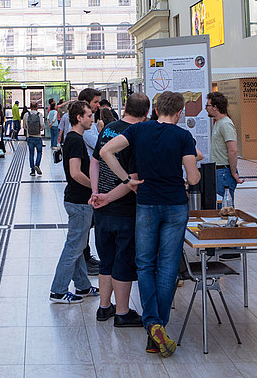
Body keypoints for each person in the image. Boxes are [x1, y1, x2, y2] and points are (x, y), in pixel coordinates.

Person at [100, 91, 200, 358]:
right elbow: (193, 177)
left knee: (144, 264)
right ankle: (157, 327)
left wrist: (126, 180)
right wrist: (192, 168)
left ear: (155, 109)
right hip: (175, 206)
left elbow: (105, 151)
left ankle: (153, 327)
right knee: (167, 267)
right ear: (179, 113)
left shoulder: (139, 130)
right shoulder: (183, 137)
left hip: (145, 204)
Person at [88, 92, 150, 327]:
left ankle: (104, 307)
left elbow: (95, 161)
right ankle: (122, 313)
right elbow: (131, 181)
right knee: (123, 260)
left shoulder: (109, 128)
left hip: (100, 208)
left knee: (106, 259)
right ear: (146, 112)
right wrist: (106, 197)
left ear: (125, 108)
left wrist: (96, 192)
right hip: (122, 209)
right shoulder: (136, 136)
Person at [49, 101, 98, 303]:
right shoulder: (76, 140)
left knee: (77, 247)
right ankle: (58, 291)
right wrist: (95, 188)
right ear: (79, 118)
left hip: (76, 199)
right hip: (79, 201)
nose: (92, 119)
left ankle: (82, 287)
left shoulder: (73, 138)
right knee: (73, 248)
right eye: (88, 116)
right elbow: (76, 173)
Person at [206, 92, 244, 203]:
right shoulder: (218, 123)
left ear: (215, 107)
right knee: (219, 206)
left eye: (207, 105)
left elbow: (233, 150)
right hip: (219, 171)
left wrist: (233, 172)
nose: (205, 108)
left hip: (224, 172)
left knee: (224, 207)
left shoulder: (225, 124)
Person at [24, 101, 45, 177]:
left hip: (30, 137)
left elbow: (25, 126)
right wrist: (41, 129)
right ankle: (37, 165)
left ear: (30, 107)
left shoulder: (26, 114)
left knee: (31, 154)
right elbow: (42, 125)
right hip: (38, 136)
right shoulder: (39, 114)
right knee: (39, 152)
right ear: (37, 107)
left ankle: (32, 171)